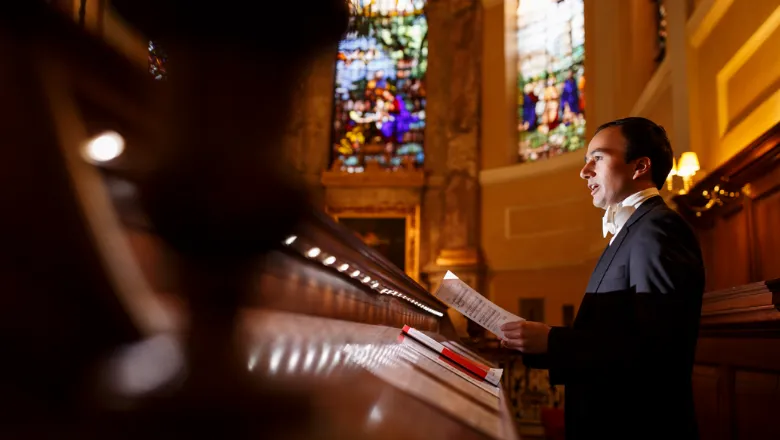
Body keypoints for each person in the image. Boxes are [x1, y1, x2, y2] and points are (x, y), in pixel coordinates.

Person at [500, 117, 705, 440]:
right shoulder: (632, 231)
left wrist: (552, 341)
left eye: (597, 157)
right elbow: (613, 334)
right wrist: (541, 343)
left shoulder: (657, 230)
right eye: (585, 161)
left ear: (639, 166)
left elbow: (658, 352)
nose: (584, 171)